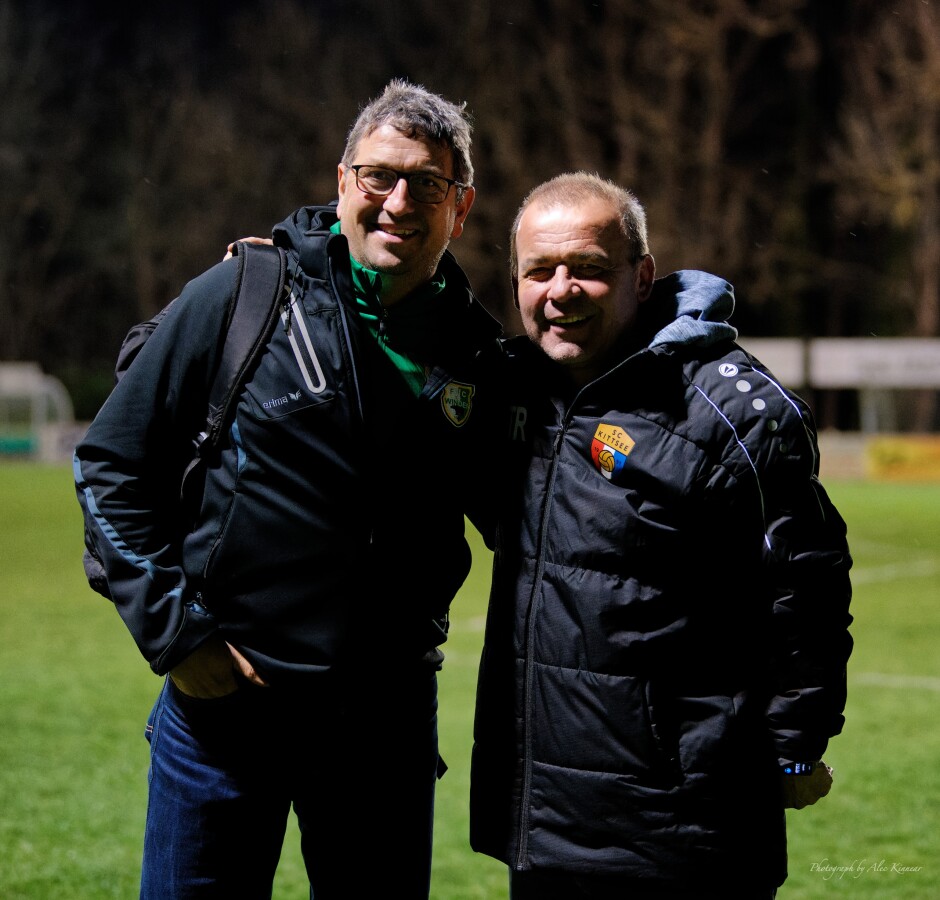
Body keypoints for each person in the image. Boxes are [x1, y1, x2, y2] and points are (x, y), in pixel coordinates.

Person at [74, 80, 503, 899]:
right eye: (379, 175)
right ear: (341, 182)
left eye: (428, 183)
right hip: (226, 714)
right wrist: (178, 639)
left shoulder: (479, 356)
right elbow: (110, 463)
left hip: (384, 728)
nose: (399, 200)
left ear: (462, 207)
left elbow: (532, 515)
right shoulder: (245, 294)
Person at [469, 173, 853, 899]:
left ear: (640, 277)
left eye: (587, 268)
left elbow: (808, 585)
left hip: (682, 835)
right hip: (544, 826)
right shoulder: (511, 390)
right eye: (539, 271)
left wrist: (796, 746)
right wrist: (297, 271)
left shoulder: (728, 411)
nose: (561, 290)